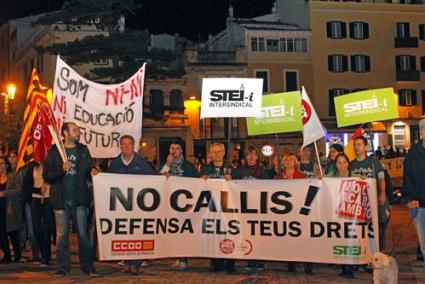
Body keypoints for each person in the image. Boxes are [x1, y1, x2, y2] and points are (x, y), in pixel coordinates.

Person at [43, 122, 99, 277]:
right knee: (62, 236)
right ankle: (63, 267)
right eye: (75, 130)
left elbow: (88, 168)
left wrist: (93, 171)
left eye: (78, 130)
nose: (78, 132)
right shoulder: (55, 151)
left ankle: (87, 267)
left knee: (83, 234)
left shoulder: (82, 150)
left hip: (80, 199)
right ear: (65, 133)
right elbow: (47, 175)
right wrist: (61, 169)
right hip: (61, 200)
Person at [109, 135, 156, 275]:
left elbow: (154, 179)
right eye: (123, 144)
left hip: (137, 205)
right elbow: (108, 182)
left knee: (136, 233)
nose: (126, 147)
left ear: (133, 146)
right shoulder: (115, 164)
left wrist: (163, 177)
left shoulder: (141, 163)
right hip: (121, 205)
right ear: (120, 146)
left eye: (129, 144)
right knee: (124, 234)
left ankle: (136, 263)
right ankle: (126, 261)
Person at [160, 142, 198, 270]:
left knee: (183, 231)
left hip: (184, 204)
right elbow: (159, 180)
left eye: (177, 148)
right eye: (172, 148)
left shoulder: (188, 167)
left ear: (181, 150)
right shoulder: (167, 165)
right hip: (170, 203)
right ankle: (178, 257)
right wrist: (167, 165)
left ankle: (184, 259)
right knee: (174, 231)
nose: (174, 150)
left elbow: (195, 184)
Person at [275, 153, 312, 274]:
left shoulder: (301, 176)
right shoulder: (278, 178)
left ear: (295, 162)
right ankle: (291, 263)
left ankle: (307, 263)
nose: (289, 162)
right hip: (285, 212)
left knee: (303, 238)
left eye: (291, 160)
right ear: (283, 162)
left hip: (298, 211)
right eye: (286, 160)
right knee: (288, 238)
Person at [232, 146, 268, 271]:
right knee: (248, 234)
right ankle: (251, 261)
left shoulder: (262, 170)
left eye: (253, 154)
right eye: (248, 154)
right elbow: (231, 181)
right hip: (245, 208)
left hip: (259, 207)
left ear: (257, 157)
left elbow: (271, 186)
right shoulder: (240, 170)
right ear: (245, 157)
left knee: (259, 234)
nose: (251, 157)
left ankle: (260, 261)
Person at [350, 136, 388, 252]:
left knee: (376, 230)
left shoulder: (373, 162)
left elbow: (381, 178)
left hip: (373, 202)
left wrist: (382, 194)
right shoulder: (351, 164)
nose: (356, 147)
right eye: (355, 145)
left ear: (365, 147)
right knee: (362, 231)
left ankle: (378, 254)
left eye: (359, 144)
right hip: (358, 204)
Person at [200, 142, 234, 273]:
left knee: (230, 234)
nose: (216, 154)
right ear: (210, 153)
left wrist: (232, 179)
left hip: (228, 208)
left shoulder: (232, 167)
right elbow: (199, 188)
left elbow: (241, 186)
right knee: (213, 235)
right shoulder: (206, 169)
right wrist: (201, 180)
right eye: (214, 152)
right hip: (212, 208)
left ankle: (230, 263)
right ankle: (217, 263)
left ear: (224, 152)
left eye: (219, 151)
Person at [327, 153, 356, 278]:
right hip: (337, 215)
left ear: (348, 163)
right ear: (336, 165)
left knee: (350, 240)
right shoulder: (332, 176)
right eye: (339, 163)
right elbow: (322, 179)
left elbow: (365, 181)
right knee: (340, 240)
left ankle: (350, 266)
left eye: (344, 162)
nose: (342, 165)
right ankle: (343, 266)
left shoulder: (355, 177)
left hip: (351, 215)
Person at [403, 118, 425, 267]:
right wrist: (411, 198)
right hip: (420, 204)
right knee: (424, 243)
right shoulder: (413, 153)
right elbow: (408, 178)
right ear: (422, 132)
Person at [26, 162, 54, 267]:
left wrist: (47, 183)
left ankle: (45, 257)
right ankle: (42, 250)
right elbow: (27, 185)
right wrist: (38, 190)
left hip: (48, 199)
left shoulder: (50, 164)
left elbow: (55, 177)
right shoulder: (32, 166)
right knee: (36, 228)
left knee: (46, 228)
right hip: (35, 199)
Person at [0, 157, 22, 263]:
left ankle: (17, 252)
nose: (0, 166)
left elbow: (19, 190)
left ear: (6, 165)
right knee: (2, 232)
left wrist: (5, 193)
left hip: (9, 206)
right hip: (0, 208)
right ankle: (6, 255)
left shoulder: (13, 176)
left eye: (1, 163)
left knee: (11, 231)